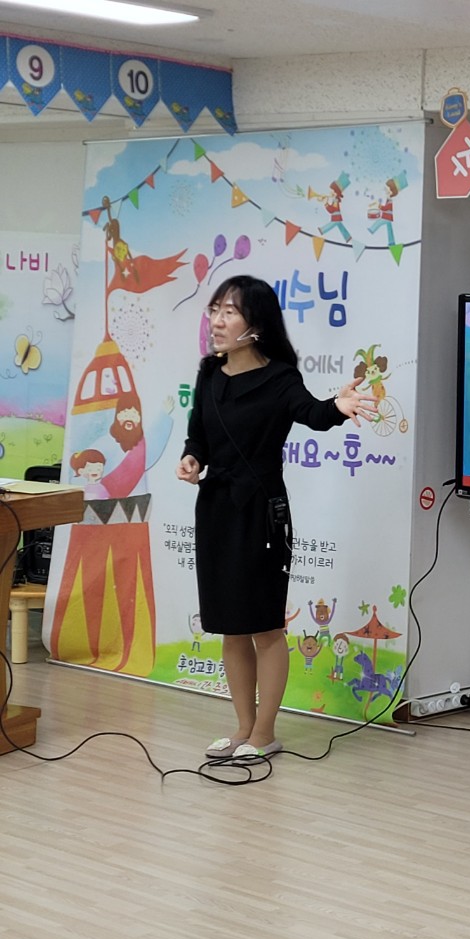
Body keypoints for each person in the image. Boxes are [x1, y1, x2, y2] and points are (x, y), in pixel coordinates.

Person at [176, 275, 375, 762]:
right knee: (231, 627)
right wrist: (192, 458)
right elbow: (198, 434)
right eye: (215, 310)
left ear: (256, 325)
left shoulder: (280, 378)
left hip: (262, 514)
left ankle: (265, 733)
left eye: (229, 312)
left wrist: (338, 406)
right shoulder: (209, 373)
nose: (217, 321)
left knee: (264, 627)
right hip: (216, 509)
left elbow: (313, 413)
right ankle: (242, 728)